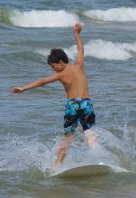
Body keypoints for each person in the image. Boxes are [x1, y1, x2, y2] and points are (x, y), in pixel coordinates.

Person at [12, 22, 96, 166]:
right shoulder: (79, 66)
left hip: (73, 105)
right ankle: (96, 157)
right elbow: (81, 50)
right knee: (89, 133)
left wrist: (23, 88)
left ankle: (57, 165)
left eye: (53, 66)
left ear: (61, 62)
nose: (53, 69)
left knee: (68, 137)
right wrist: (76, 34)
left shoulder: (61, 74)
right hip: (87, 104)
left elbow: (42, 81)